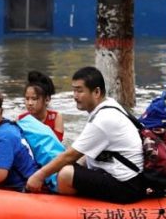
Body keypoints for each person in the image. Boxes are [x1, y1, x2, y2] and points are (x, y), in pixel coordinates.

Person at [25, 66, 146, 204]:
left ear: (96, 92)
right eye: (74, 90)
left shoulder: (103, 119)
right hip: (129, 177)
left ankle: (74, 211)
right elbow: (84, 153)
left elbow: (70, 155)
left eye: (80, 90)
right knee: (71, 167)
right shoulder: (109, 106)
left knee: (65, 174)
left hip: (127, 185)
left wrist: (39, 176)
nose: (75, 96)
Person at [18, 70, 64, 141]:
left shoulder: (56, 118)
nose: (30, 103)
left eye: (34, 99)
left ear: (47, 100)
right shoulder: (21, 119)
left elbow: (56, 144)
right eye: (27, 99)